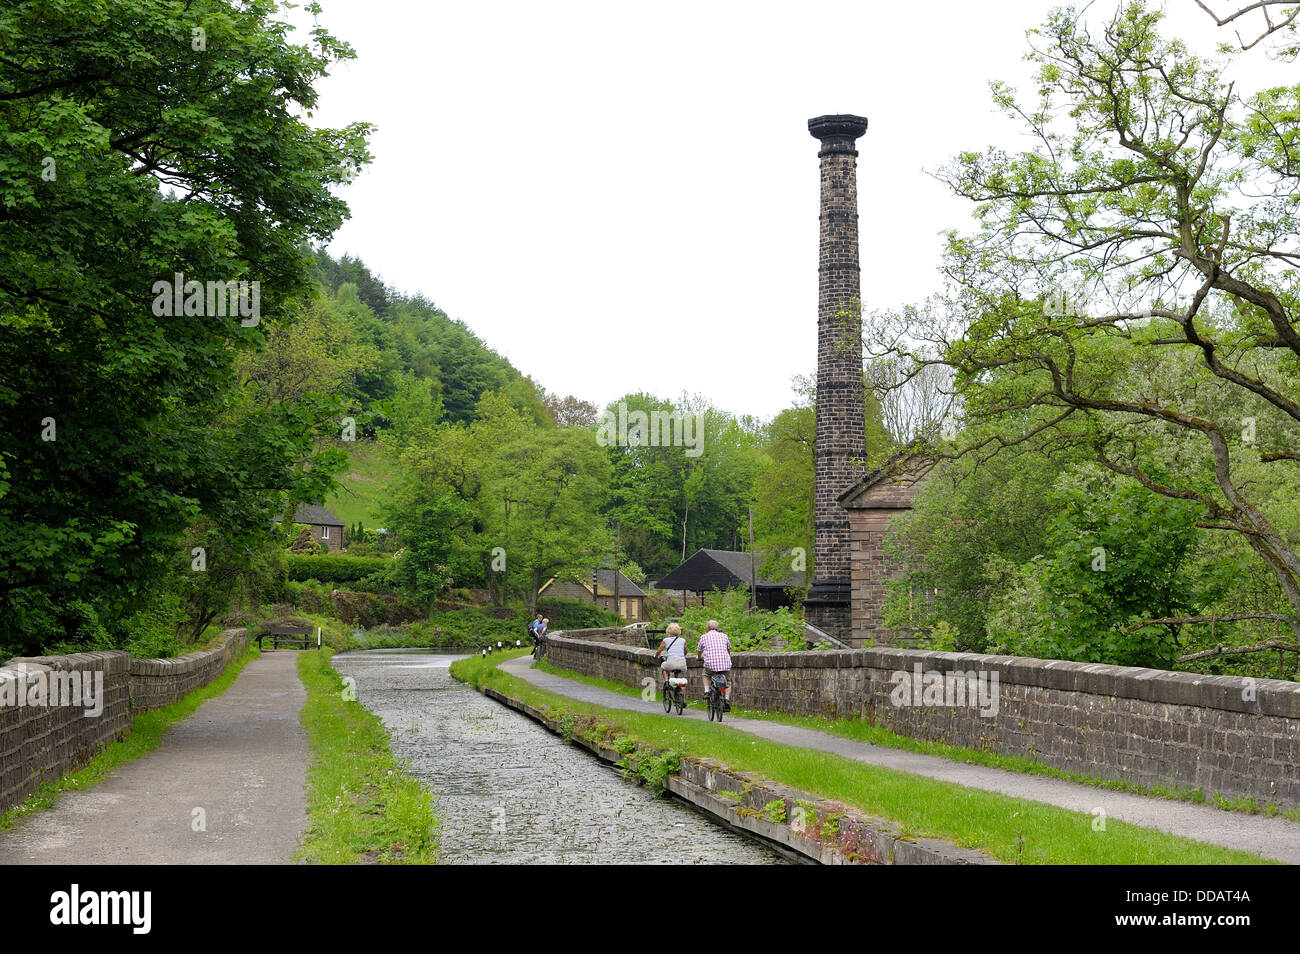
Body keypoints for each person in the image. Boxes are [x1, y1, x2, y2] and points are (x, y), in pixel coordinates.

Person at [696, 619, 733, 710]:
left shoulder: (704, 637)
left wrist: (699, 657)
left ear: (708, 628)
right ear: (717, 628)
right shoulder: (724, 636)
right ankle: (727, 700)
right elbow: (728, 649)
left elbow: (699, 650)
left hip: (711, 664)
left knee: (706, 674)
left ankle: (707, 691)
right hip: (725, 663)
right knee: (727, 682)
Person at [653, 622, 688, 689]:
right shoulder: (683, 640)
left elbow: (659, 651)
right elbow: (686, 651)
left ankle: (666, 681)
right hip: (682, 664)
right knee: (677, 670)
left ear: (668, 631)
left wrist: (656, 656)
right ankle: (676, 683)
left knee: (664, 667)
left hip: (671, 663)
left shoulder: (665, 640)